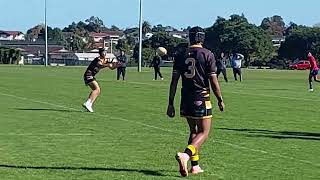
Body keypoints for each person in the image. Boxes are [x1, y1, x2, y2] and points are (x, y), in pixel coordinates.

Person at [166, 26, 225, 177]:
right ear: (202, 38)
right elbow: (213, 80)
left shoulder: (180, 55)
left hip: (185, 97)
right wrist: (220, 99)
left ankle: (195, 166)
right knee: (204, 132)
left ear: (190, 38)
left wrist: (170, 103)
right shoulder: (207, 54)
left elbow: (174, 82)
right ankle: (185, 155)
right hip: (201, 96)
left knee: (193, 131)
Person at [82, 48, 120, 112]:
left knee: (97, 90)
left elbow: (111, 68)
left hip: (91, 76)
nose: (105, 53)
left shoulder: (105, 60)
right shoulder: (98, 59)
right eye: (103, 52)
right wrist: (108, 64)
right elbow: (100, 65)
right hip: (88, 75)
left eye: (105, 52)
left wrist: (117, 65)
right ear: (100, 53)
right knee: (96, 89)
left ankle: (89, 104)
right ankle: (87, 103)